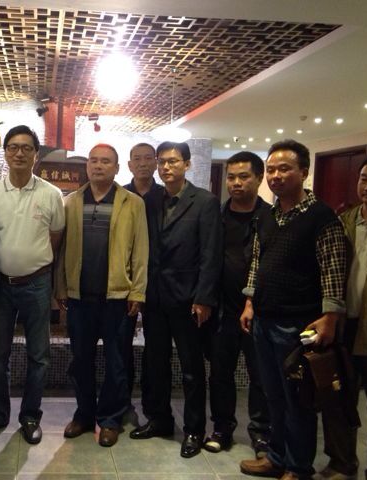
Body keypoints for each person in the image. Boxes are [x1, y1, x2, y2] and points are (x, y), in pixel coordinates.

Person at [239, 140, 347, 480]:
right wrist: (249, 302)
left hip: (299, 324)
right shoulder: (267, 216)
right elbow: (257, 263)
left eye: (284, 169)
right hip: (264, 319)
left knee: (298, 399)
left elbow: (333, 269)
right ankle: (277, 457)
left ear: (304, 171)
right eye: (271, 169)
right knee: (273, 396)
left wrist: (330, 317)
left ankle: (298, 468)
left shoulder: (321, 217)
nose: (276, 176)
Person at [130, 141, 222, 459]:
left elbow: (211, 254)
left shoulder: (205, 202)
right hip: (155, 297)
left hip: (189, 300)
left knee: (191, 368)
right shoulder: (150, 200)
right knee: (155, 363)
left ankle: (194, 429)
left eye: (173, 161)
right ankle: (160, 419)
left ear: (187, 164)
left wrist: (204, 298)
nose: (166, 167)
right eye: (162, 162)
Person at [56, 143, 148, 448]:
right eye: (93, 161)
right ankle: (84, 414)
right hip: (79, 298)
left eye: (106, 161)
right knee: (80, 360)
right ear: (87, 166)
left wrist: (137, 291)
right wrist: (61, 287)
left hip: (117, 298)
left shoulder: (132, 203)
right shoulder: (71, 202)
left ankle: (109, 419)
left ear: (117, 168)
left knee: (116, 362)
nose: (98, 165)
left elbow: (141, 251)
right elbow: (61, 250)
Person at [0, 125, 64, 445]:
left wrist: (35, 263)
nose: (19, 153)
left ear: (36, 155)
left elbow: (56, 237)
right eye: (13, 147)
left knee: (38, 355)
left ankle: (30, 416)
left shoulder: (51, 194)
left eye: (27, 148)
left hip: (36, 285)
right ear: (5, 153)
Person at [318, 153, 367, 480]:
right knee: (338, 404)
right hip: (343, 328)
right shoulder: (343, 222)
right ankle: (341, 463)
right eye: (364, 179)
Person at [205, 152, 271, 456]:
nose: (236, 183)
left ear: (259, 178)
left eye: (244, 177)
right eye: (231, 177)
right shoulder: (216, 216)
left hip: (261, 311)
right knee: (220, 374)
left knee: (260, 375)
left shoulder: (271, 218)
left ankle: (261, 434)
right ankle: (222, 428)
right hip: (223, 310)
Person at [123, 142, 164, 403]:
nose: (142, 163)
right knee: (122, 344)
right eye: (137, 159)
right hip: (127, 280)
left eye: (148, 158)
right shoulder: (121, 195)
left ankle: (153, 406)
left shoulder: (165, 196)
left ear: (155, 163)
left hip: (159, 282)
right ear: (129, 165)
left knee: (156, 347)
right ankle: (123, 402)